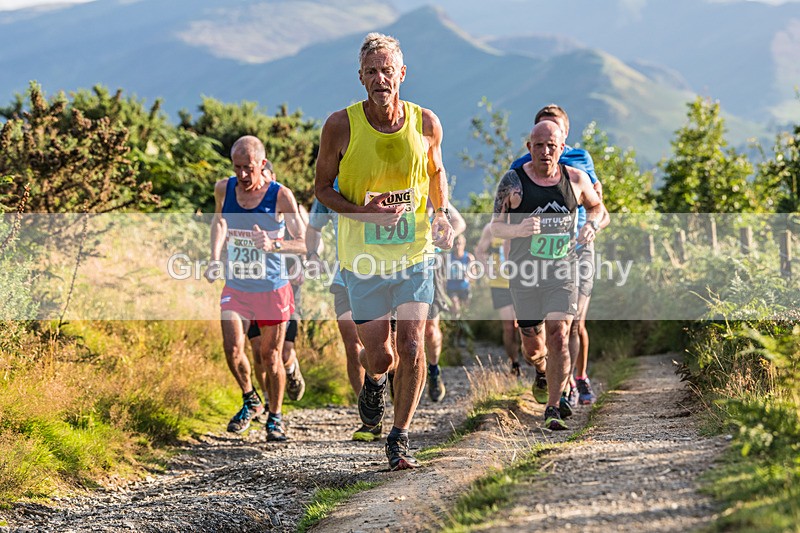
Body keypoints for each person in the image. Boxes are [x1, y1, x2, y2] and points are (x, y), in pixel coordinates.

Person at [315, 33, 454, 469]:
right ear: (360, 77)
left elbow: (437, 173)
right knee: (381, 354)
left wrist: (442, 213)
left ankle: (399, 437)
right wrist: (364, 213)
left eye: (387, 70)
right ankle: (375, 381)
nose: (380, 79)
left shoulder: (426, 122)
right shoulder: (340, 125)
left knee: (412, 345)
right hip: (363, 259)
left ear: (402, 73)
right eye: (371, 71)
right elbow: (321, 189)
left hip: (414, 253)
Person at [491, 120, 602, 430]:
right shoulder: (513, 182)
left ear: (561, 148)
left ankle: (554, 405)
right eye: (538, 146)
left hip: (562, 269)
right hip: (525, 272)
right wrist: (518, 229)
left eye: (551, 146)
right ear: (529, 148)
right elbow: (495, 226)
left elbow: (596, 207)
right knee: (533, 346)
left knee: (559, 332)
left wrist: (590, 226)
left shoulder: (576, 179)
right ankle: (541, 369)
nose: (545, 152)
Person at [205, 135, 306, 441]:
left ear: (263, 164)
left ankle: (275, 417)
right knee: (232, 347)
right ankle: (250, 398)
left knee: (270, 357)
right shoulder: (225, 188)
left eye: (249, 168)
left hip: (273, 288)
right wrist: (213, 257)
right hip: (236, 285)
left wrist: (275, 243)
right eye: (237, 167)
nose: (243, 175)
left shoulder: (280, 196)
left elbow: (304, 243)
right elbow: (220, 221)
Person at [510, 105, 609, 406]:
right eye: (542, 132)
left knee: (573, 322)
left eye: (556, 131)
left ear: (565, 136)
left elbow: (598, 206)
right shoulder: (522, 166)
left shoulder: (581, 161)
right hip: (538, 257)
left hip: (579, 249)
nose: (547, 143)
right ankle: (552, 375)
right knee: (546, 331)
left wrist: (592, 226)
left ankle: (573, 381)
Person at [307, 194, 384, 442]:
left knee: (385, 352)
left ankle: (382, 390)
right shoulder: (330, 187)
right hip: (344, 277)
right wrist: (312, 254)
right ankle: (368, 418)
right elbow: (314, 227)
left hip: (383, 274)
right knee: (352, 345)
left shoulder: (376, 175)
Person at [423, 202, 465, 403]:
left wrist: (444, 236)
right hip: (396, 264)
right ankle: (397, 376)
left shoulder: (434, 195)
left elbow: (459, 222)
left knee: (430, 330)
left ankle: (433, 369)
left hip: (431, 265)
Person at [475, 222, 521, 376]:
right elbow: (480, 251)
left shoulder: (523, 221)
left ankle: (533, 356)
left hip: (522, 282)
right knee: (509, 326)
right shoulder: (491, 228)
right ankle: (514, 363)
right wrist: (487, 268)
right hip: (499, 284)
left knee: (522, 324)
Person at [445, 233, 475, 347]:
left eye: (460, 244)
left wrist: (468, 275)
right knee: (455, 310)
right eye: (456, 244)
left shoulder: (468, 257)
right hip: (452, 288)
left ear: (464, 244)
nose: (458, 246)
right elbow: (443, 274)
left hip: (464, 288)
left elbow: (474, 275)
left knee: (463, 314)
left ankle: (460, 337)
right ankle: (453, 337)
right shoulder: (449, 257)